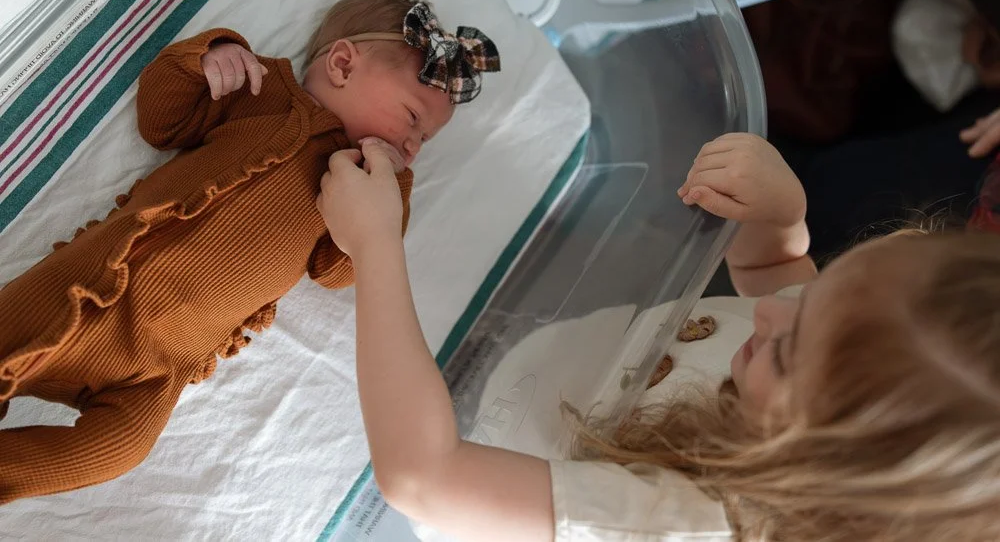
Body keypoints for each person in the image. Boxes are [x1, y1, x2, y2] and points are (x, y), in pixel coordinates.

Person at [318, 133, 1000, 541]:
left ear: (823, 471)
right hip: (528, 366)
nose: (772, 314)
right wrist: (779, 222)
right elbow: (773, 279)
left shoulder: (682, 523)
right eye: (819, 294)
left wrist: (376, 245)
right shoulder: (828, 337)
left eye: (787, 353)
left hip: (457, 469)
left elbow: (424, 476)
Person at [0, 0, 500, 504]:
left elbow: (339, 270)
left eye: (425, 140)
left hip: (159, 368)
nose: (413, 147)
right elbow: (162, 121)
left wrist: (391, 191)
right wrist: (210, 56)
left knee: (117, 451)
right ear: (343, 65)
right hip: (93, 287)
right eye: (413, 118)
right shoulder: (265, 94)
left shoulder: (354, 187)